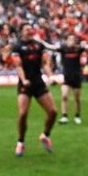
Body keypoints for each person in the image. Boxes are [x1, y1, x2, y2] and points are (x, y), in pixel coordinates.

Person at [40, 34, 88, 125]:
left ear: (75, 41)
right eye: (70, 39)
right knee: (64, 96)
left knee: (77, 98)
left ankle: (77, 116)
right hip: (67, 77)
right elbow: (50, 47)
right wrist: (41, 41)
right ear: (67, 40)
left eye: (73, 39)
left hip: (76, 77)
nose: (71, 41)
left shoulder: (78, 49)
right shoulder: (63, 49)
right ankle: (64, 116)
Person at [13, 24, 57, 157]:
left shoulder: (38, 45)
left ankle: (45, 135)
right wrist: (23, 79)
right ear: (22, 32)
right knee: (23, 114)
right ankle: (20, 142)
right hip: (25, 84)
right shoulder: (17, 47)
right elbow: (18, 66)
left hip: (38, 83)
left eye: (30, 29)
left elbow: (45, 64)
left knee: (53, 112)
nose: (29, 31)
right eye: (27, 29)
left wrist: (50, 77)